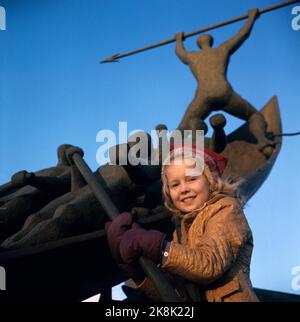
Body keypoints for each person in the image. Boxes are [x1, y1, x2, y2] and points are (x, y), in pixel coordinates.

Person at [105, 144, 259, 302]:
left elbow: (209, 265)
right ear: (169, 193)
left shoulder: (226, 209)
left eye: (192, 179)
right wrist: (137, 272)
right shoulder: (180, 231)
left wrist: (158, 247)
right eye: (175, 184)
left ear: (210, 181)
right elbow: (173, 296)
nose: (183, 189)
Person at [175, 8, 274, 158]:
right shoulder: (222, 49)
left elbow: (179, 52)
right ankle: (263, 142)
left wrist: (178, 39)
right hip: (224, 92)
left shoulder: (192, 56)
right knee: (255, 116)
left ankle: (172, 153)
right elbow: (242, 34)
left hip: (203, 96)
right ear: (210, 41)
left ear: (199, 44)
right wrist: (252, 17)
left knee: (182, 128)